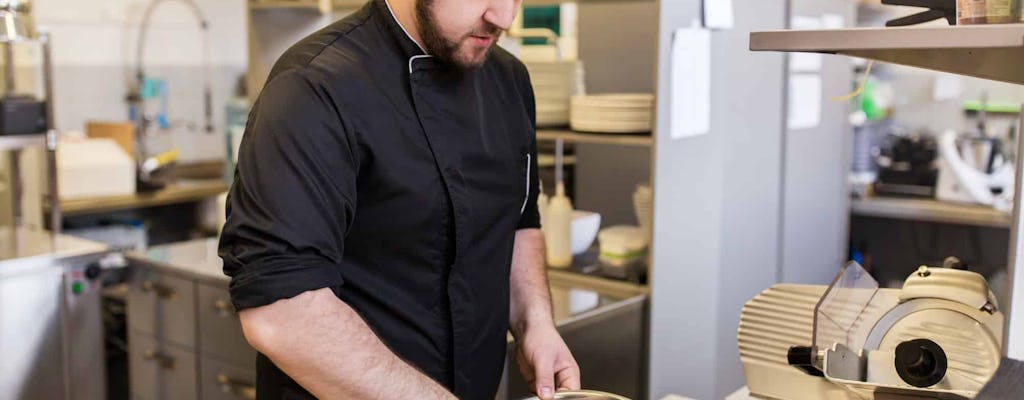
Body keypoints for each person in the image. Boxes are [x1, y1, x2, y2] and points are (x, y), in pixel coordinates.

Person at [218, 0, 580, 398]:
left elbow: (517, 223)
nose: (505, 17)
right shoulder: (313, 87)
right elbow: (282, 312)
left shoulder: (509, 81)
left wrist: (537, 325)